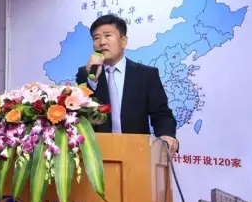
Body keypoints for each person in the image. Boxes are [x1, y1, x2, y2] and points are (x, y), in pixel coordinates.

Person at [75, 14, 179, 154]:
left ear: (123, 41)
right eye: (96, 38)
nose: (102, 42)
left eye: (108, 35)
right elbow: (79, 114)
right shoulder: (85, 74)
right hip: (97, 153)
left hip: (137, 152)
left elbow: (161, 114)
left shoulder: (146, 75)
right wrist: (92, 80)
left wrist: (166, 134)